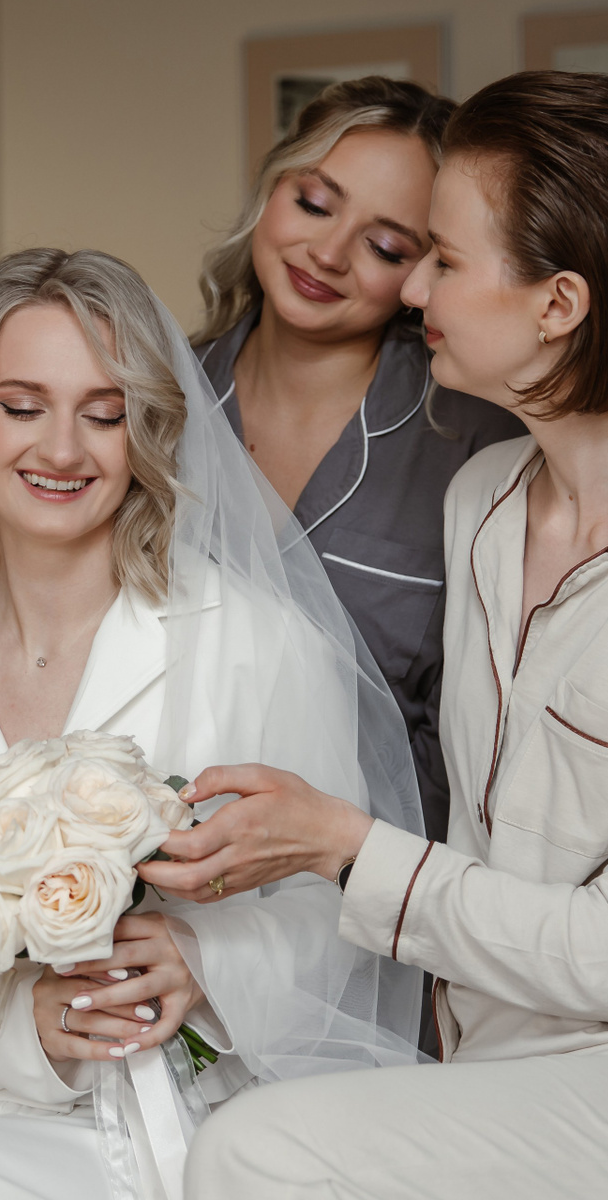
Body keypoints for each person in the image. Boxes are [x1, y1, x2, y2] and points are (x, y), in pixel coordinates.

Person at [141, 72, 608, 1198]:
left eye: (443, 261)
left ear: (558, 305)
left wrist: (341, 846)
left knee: (253, 1150)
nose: (414, 292)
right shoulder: (486, 502)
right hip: (515, 1067)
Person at [0, 249, 425, 1200]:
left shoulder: (259, 644)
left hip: (206, 1119)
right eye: (22, 407)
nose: (63, 450)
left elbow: (346, 918)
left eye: (104, 414)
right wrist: (26, 1027)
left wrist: (207, 959)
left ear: (146, 432)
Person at [193, 75, 524, 843]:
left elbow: (480, 747)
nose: (328, 253)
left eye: (384, 246)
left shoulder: (476, 448)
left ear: (427, 270)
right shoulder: (148, 402)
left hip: (378, 877)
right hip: (161, 862)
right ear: (272, 188)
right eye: (314, 203)